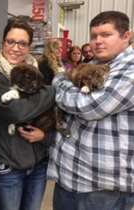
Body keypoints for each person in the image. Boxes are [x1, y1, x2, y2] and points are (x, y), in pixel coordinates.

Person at [48, 11, 134, 210]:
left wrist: (60, 81)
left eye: (106, 35)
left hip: (102, 188)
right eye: (94, 36)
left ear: (126, 36)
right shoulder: (95, 64)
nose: (98, 41)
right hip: (69, 178)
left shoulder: (129, 70)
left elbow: (88, 106)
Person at [0, 19, 56, 210]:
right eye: (10, 41)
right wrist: (46, 94)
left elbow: (54, 102)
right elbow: (16, 111)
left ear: (29, 46)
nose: (15, 48)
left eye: (22, 43)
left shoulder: (40, 69)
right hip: (6, 165)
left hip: (38, 162)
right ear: (3, 42)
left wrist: (45, 136)